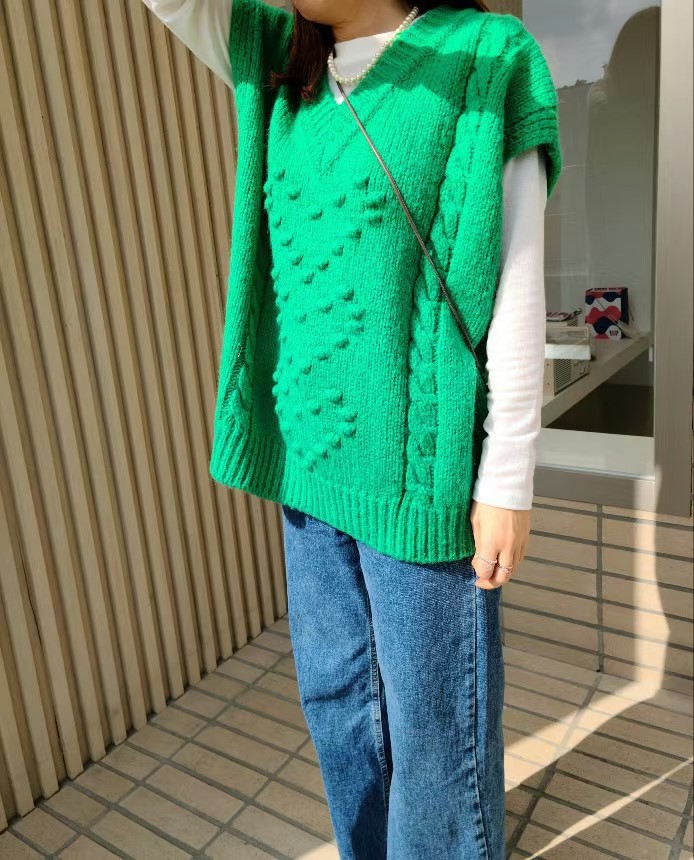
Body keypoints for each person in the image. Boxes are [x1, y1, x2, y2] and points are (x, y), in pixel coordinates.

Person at [141, 1, 562, 857]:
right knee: (338, 707)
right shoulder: (277, 59)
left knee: (437, 739)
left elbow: (517, 281)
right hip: (309, 473)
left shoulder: (486, 57)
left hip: (417, 481)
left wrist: (508, 475)